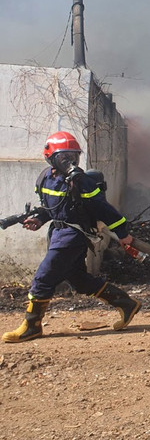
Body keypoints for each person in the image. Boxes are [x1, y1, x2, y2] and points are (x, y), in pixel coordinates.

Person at [2, 131, 141, 343]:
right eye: (63, 156)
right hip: (57, 234)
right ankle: (126, 304)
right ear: (50, 157)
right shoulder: (45, 178)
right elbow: (53, 208)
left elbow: (104, 209)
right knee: (79, 280)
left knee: (43, 277)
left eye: (73, 156)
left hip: (73, 236)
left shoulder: (81, 181)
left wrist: (123, 234)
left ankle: (32, 326)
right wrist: (39, 219)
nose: (69, 161)